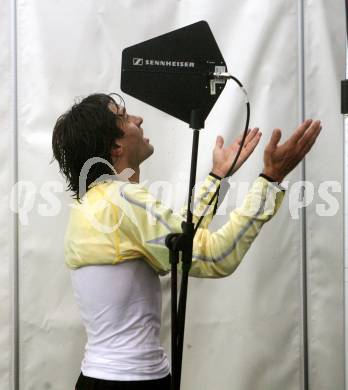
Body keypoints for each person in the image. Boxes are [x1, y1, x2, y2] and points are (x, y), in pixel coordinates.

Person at [52, 93, 321, 390]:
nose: (138, 120)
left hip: (105, 379)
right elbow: (216, 257)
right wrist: (270, 180)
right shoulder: (122, 199)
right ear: (116, 146)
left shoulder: (94, 202)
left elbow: (180, 239)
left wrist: (218, 176)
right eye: (126, 117)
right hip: (129, 382)